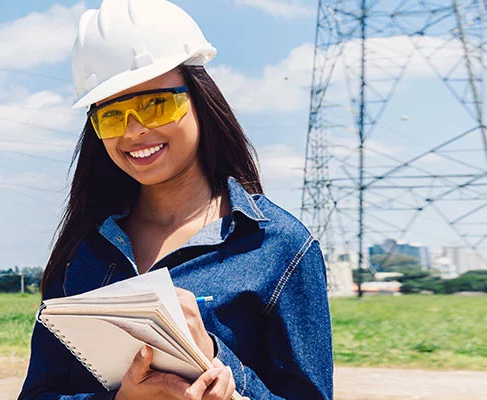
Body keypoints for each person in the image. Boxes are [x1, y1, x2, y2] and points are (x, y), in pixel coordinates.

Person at [17, 1, 334, 399]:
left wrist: (218, 365)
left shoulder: (278, 247)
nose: (133, 131)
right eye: (112, 115)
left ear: (201, 100)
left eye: (155, 104)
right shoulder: (83, 250)